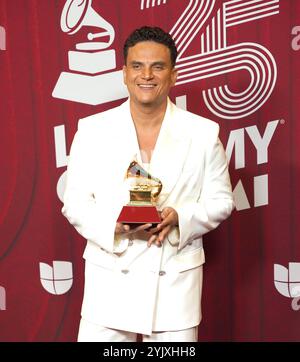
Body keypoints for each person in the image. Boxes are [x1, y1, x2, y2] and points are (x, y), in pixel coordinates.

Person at [62, 26, 235, 342]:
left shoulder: (203, 133)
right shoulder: (91, 130)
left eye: (158, 66)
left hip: (174, 286)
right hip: (109, 282)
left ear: (173, 75)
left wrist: (180, 217)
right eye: (137, 66)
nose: (147, 75)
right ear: (124, 73)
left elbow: (222, 200)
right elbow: (74, 203)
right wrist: (116, 225)